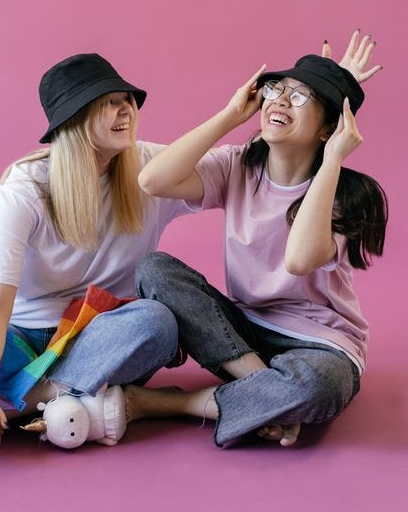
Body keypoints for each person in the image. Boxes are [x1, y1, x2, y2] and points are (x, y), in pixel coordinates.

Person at [0, 53, 193, 449]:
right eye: (109, 102)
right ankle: (69, 402)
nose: (126, 111)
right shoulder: (25, 189)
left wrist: (240, 117)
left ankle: (8, 409)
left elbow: (230, 168)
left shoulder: (151, 168)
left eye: (128, 100)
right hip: (19, 341)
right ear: (75, 120)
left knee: (156, 322)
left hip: (96, 339)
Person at [125, 32, 388, 447]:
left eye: (301, 97)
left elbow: (300, 260)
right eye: (277, 89)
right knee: (155, 269)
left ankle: (167, 404)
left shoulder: (347, 194)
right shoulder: (237, 165)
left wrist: (333, 160)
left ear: (327, 130)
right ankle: (265, 391)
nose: (280, 100)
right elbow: (152, 179)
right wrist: (230, 115)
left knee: (320, 385)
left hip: (319, 344)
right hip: (242, 334)